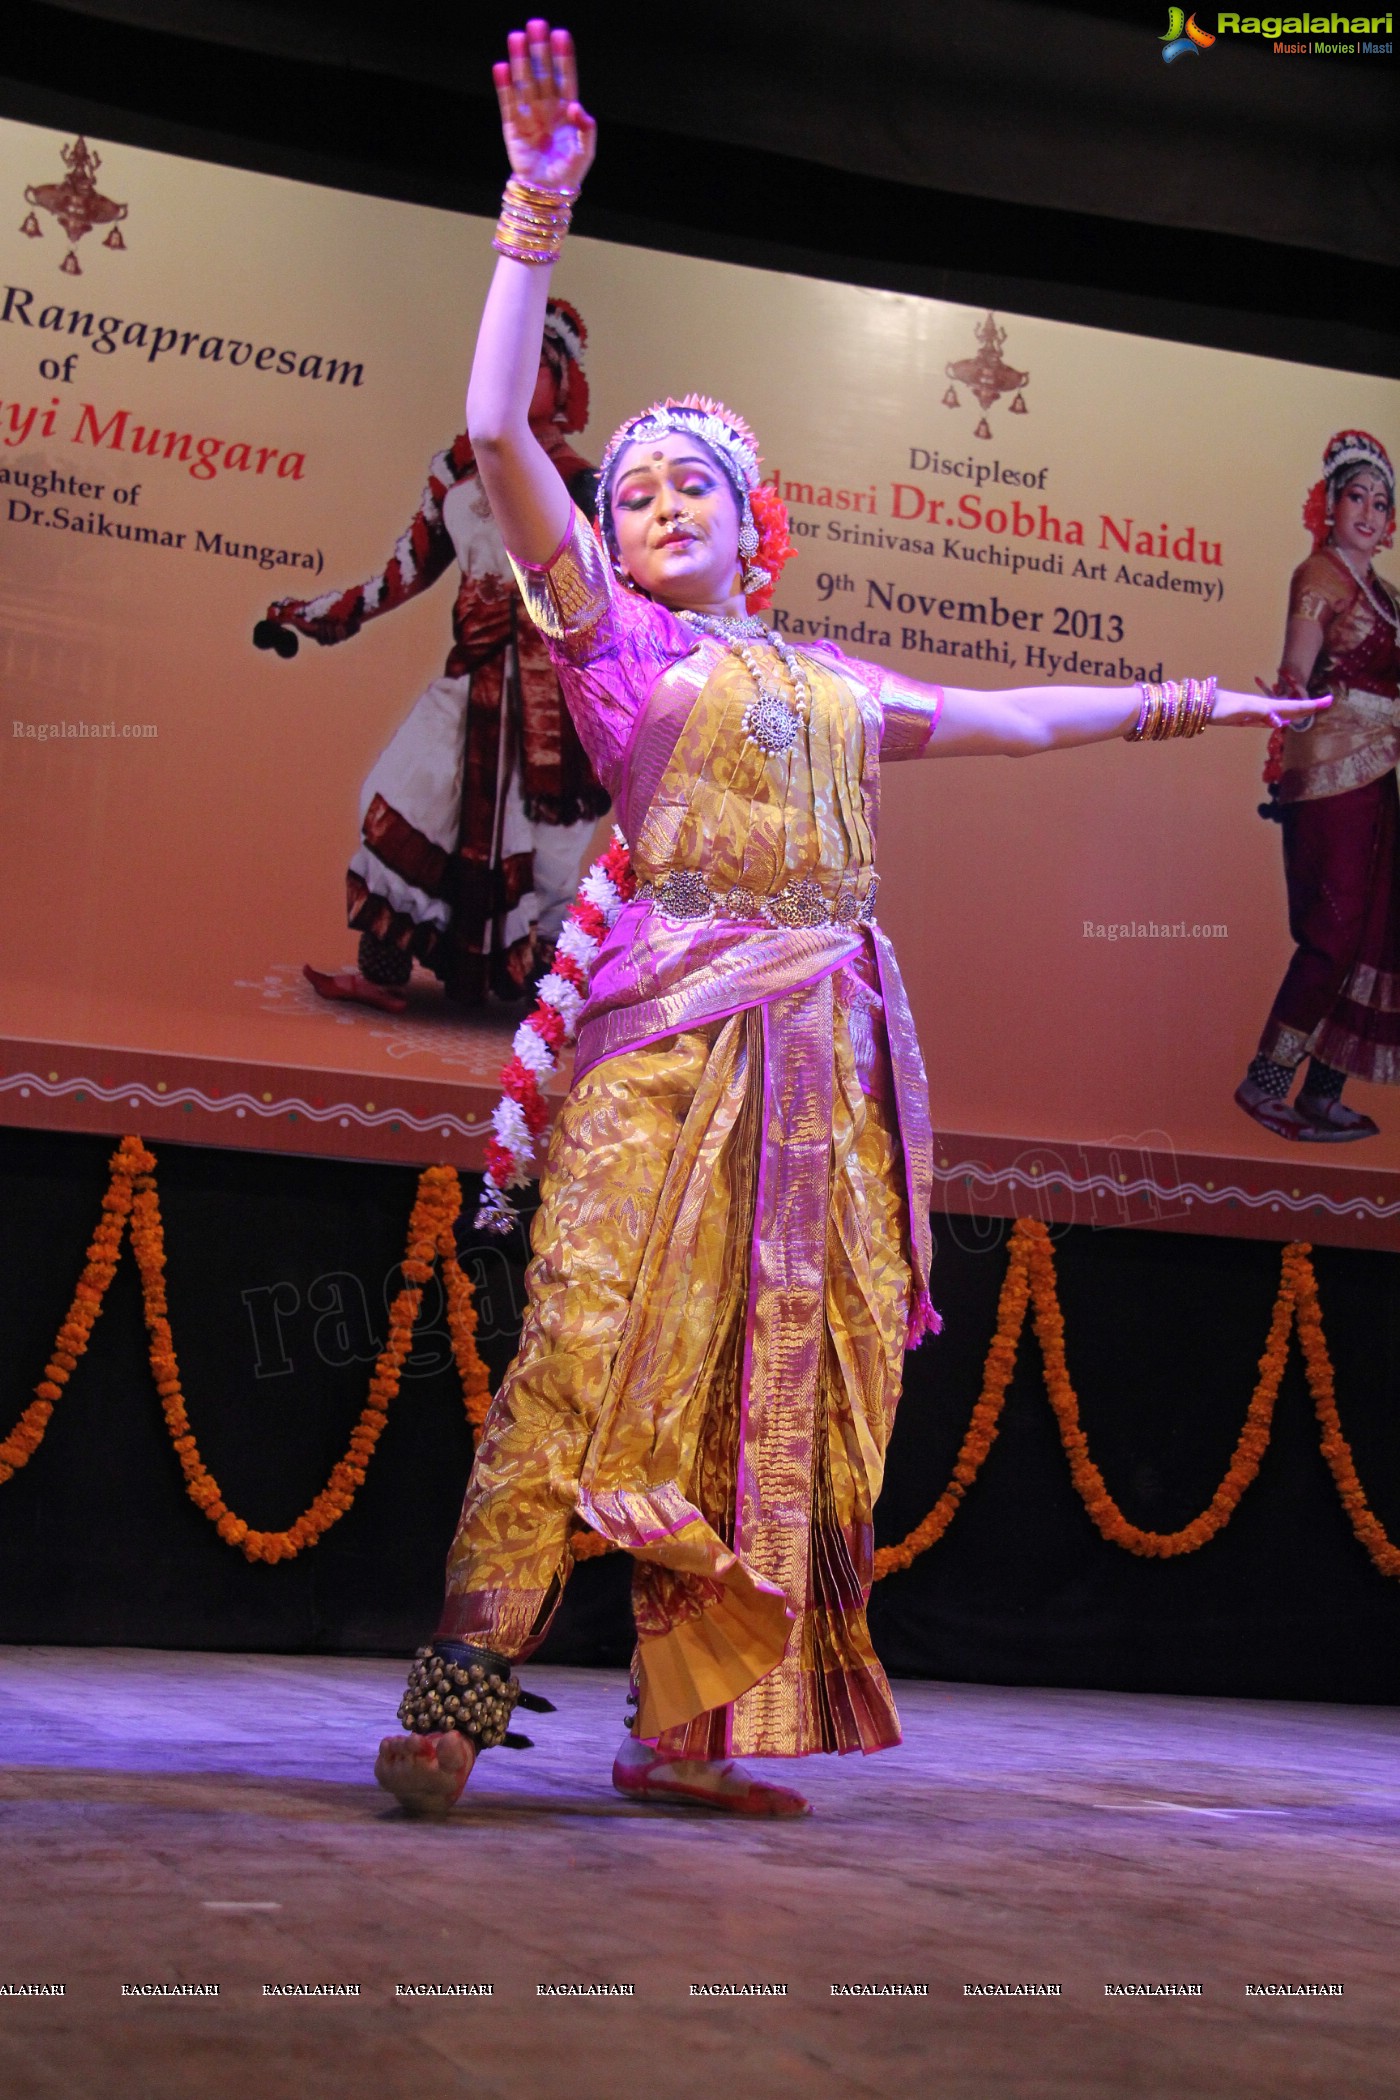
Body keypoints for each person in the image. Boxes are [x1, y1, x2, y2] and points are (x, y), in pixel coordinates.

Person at [374, 20, 1321, 1819]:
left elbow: (1009, 718)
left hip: (823, 1073)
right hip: (662, 1055)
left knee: (774, 1387)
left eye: (685, 488)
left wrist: (1195, 703)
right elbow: (496, 429)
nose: (647, 508)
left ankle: (691, 1729)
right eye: (631, 489)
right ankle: (450, 1698)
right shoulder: (611, 638)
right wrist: (535, 209)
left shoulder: (826, 675)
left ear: (758, 524)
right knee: (580, 1362)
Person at [253, 300, 611, 1010]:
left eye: (529, 369)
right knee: (406, 799)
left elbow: (613, 602)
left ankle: (550, 1011)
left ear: (563, 382)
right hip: (472, 679)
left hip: (550, 704)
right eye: (496, 368)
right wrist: (318, 613)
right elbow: (406, 572)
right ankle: (381, 974)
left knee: (547, 861)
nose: (508, 382)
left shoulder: (583, 483)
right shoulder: (453, 468)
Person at [1235, 429, 1399, 1141]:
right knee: (1332, 930)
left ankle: (1321, 1092)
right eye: (1356, 496)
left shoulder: (1387, 594)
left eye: (1381, 503)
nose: (1368, 511)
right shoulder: (1320, 575)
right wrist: (1291, 689)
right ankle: (1266, 1081)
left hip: (1380, 771)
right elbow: (1297, 669)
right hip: (1328, 772)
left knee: (1374, 932)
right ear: (1328, 505)